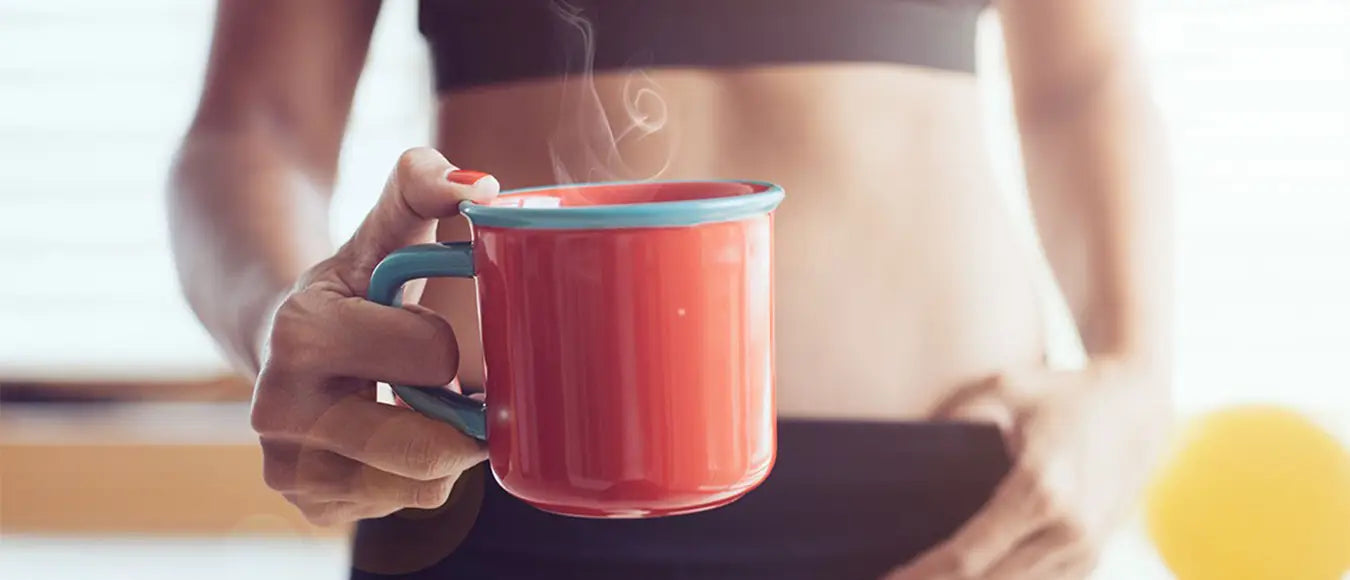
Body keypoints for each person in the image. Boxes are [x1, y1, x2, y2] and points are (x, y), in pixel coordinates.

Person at [168, 0, 1173, 578]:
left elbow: (1081, 84)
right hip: (487, 492)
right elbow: (252, 128)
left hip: (952, 507)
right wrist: (281, 328)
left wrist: (1135, 375)